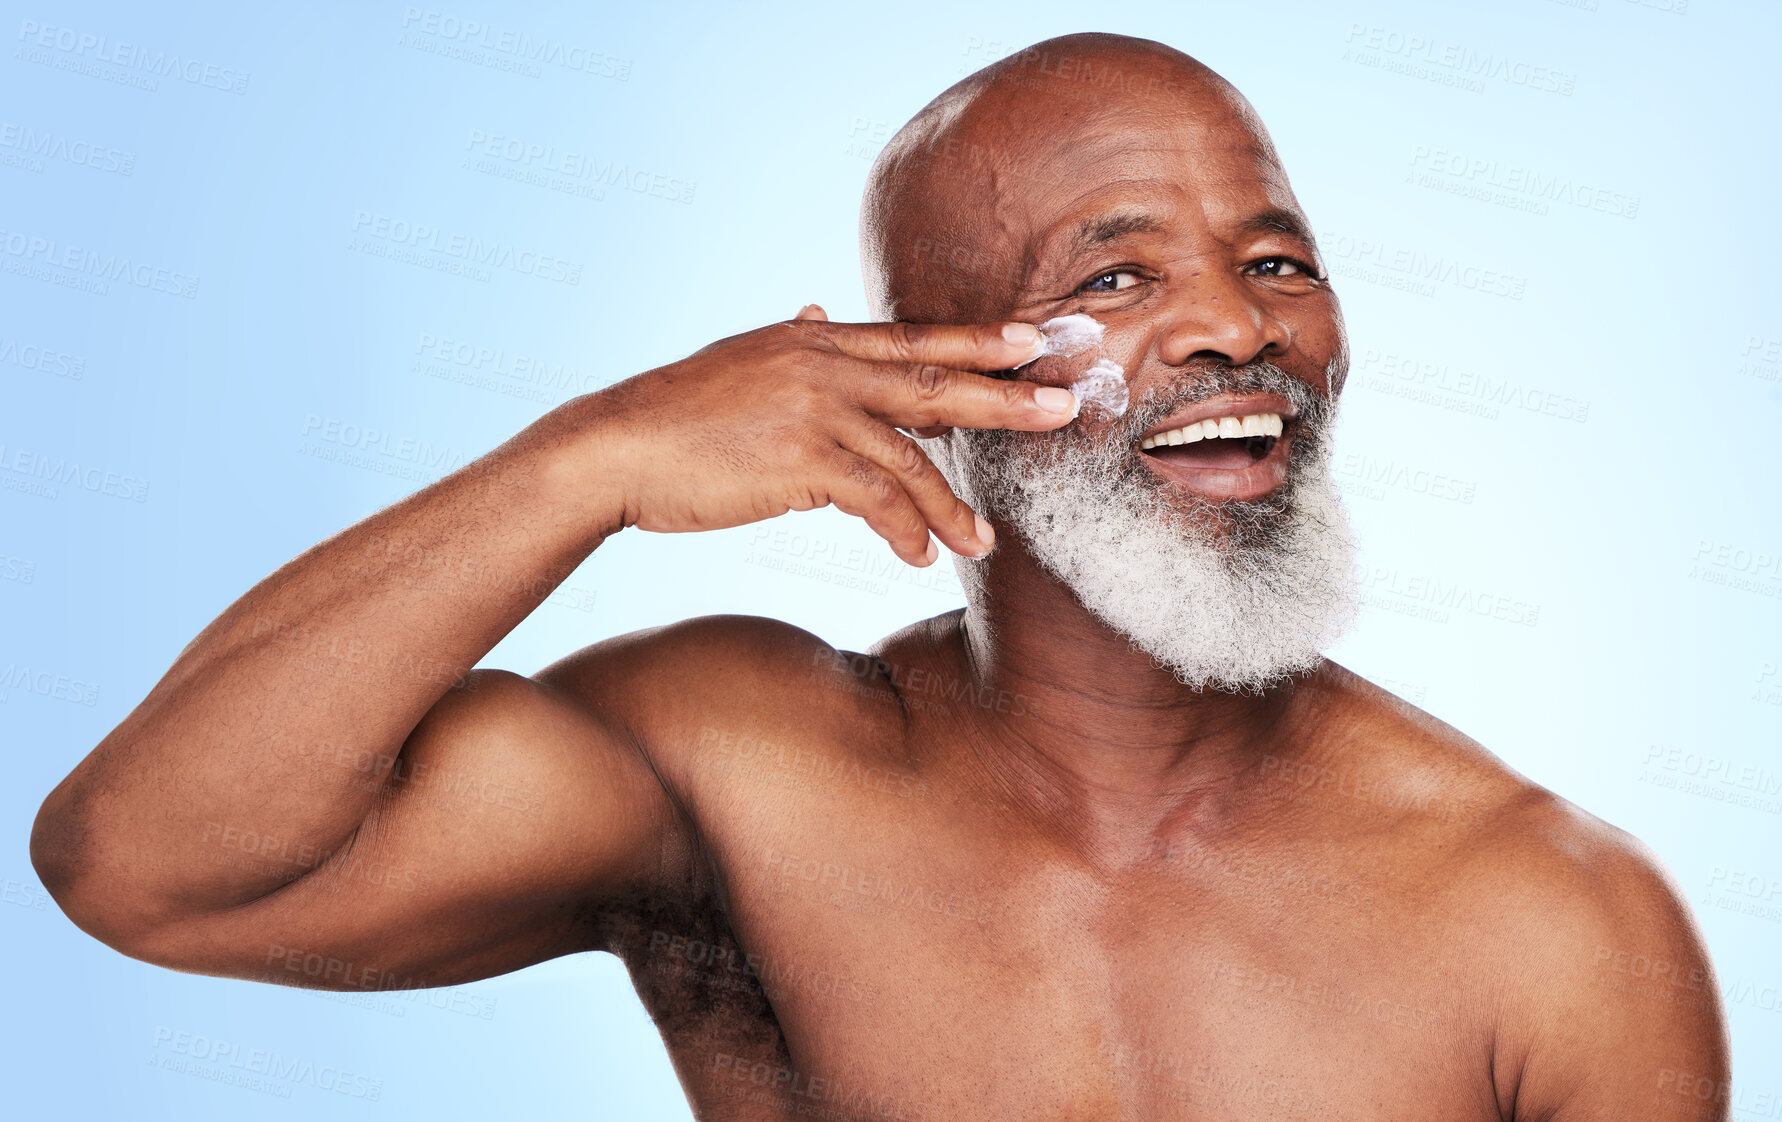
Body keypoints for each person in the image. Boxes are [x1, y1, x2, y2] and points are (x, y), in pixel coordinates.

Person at [32, 31, 1730, 1120]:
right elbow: (149, 867)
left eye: (1275, 259)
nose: (1237, 325)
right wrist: (586, 461)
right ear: (929, 369)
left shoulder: (1552, 916)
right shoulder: (734, 770)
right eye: (1118, 274)